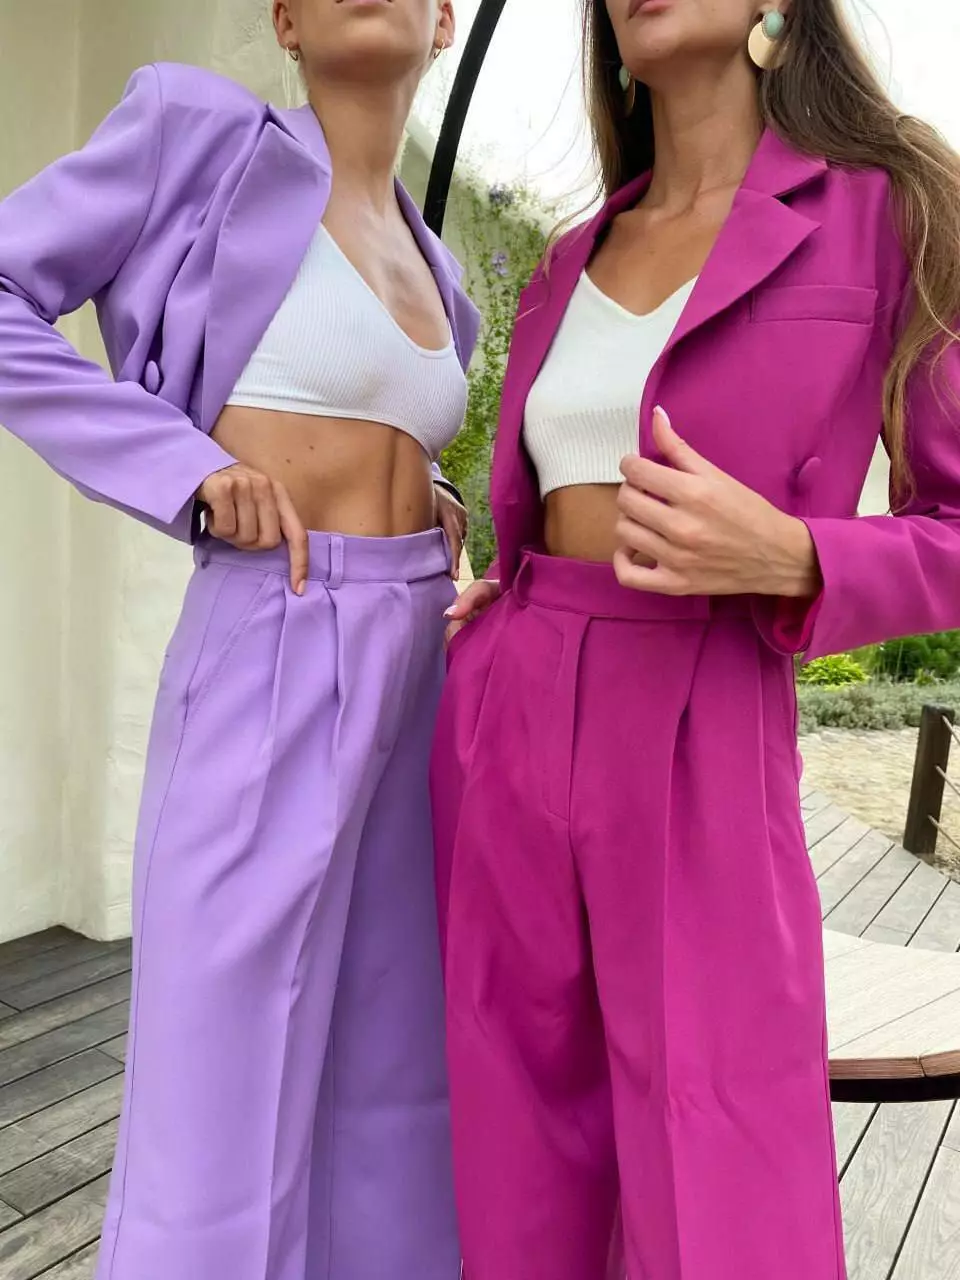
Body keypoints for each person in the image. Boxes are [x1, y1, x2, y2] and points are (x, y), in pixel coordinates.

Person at [433, 1, 960, 1277]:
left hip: (703, 722)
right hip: (508, 716)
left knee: (720, 1172)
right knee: (512, 1162)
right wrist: (494, 591)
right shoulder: (568, 257)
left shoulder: (894, 208)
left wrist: (802, 554)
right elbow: (542, 503)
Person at [0, 2, 478, 1277]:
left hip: (419, 668)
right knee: (219, 1098)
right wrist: (181, 468)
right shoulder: (196, 134)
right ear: (285, 19)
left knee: (391, 1089)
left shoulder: (443, 269)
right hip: (274, 633)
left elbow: (367, 422)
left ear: (443, 18)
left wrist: (431, 499)